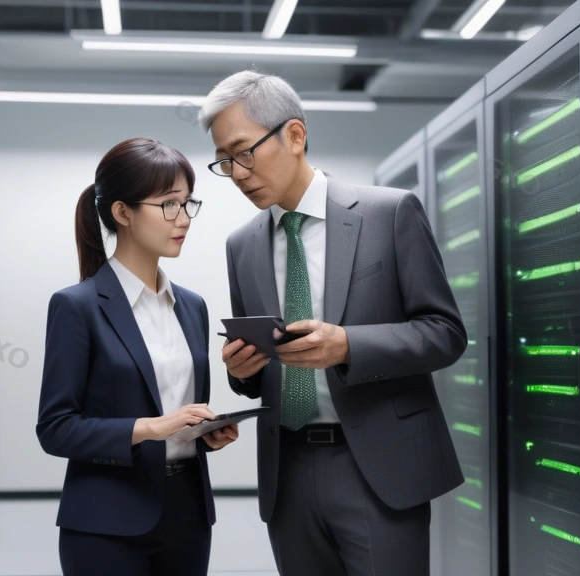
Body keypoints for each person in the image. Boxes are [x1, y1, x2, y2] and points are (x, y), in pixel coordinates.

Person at [198, 70, 468, 576]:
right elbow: (254, 377)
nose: (235, 173)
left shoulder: (389, 213)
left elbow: (445, 333)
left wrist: (348, 345)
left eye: (243, 152)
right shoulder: (242, 245)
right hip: (289, 471)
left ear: (294, 136)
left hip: (378, 466)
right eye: (223, 161)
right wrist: (241, 369)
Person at [35, 137, 239, 576]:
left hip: (188, 513)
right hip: (106, 521)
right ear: (122, 212)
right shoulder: (77, 306)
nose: (183, 218)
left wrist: (202, 431)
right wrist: (151, 428)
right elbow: (55, 429)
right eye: (168, 205)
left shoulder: (192, 306)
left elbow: (176, 410)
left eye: (188, 204)